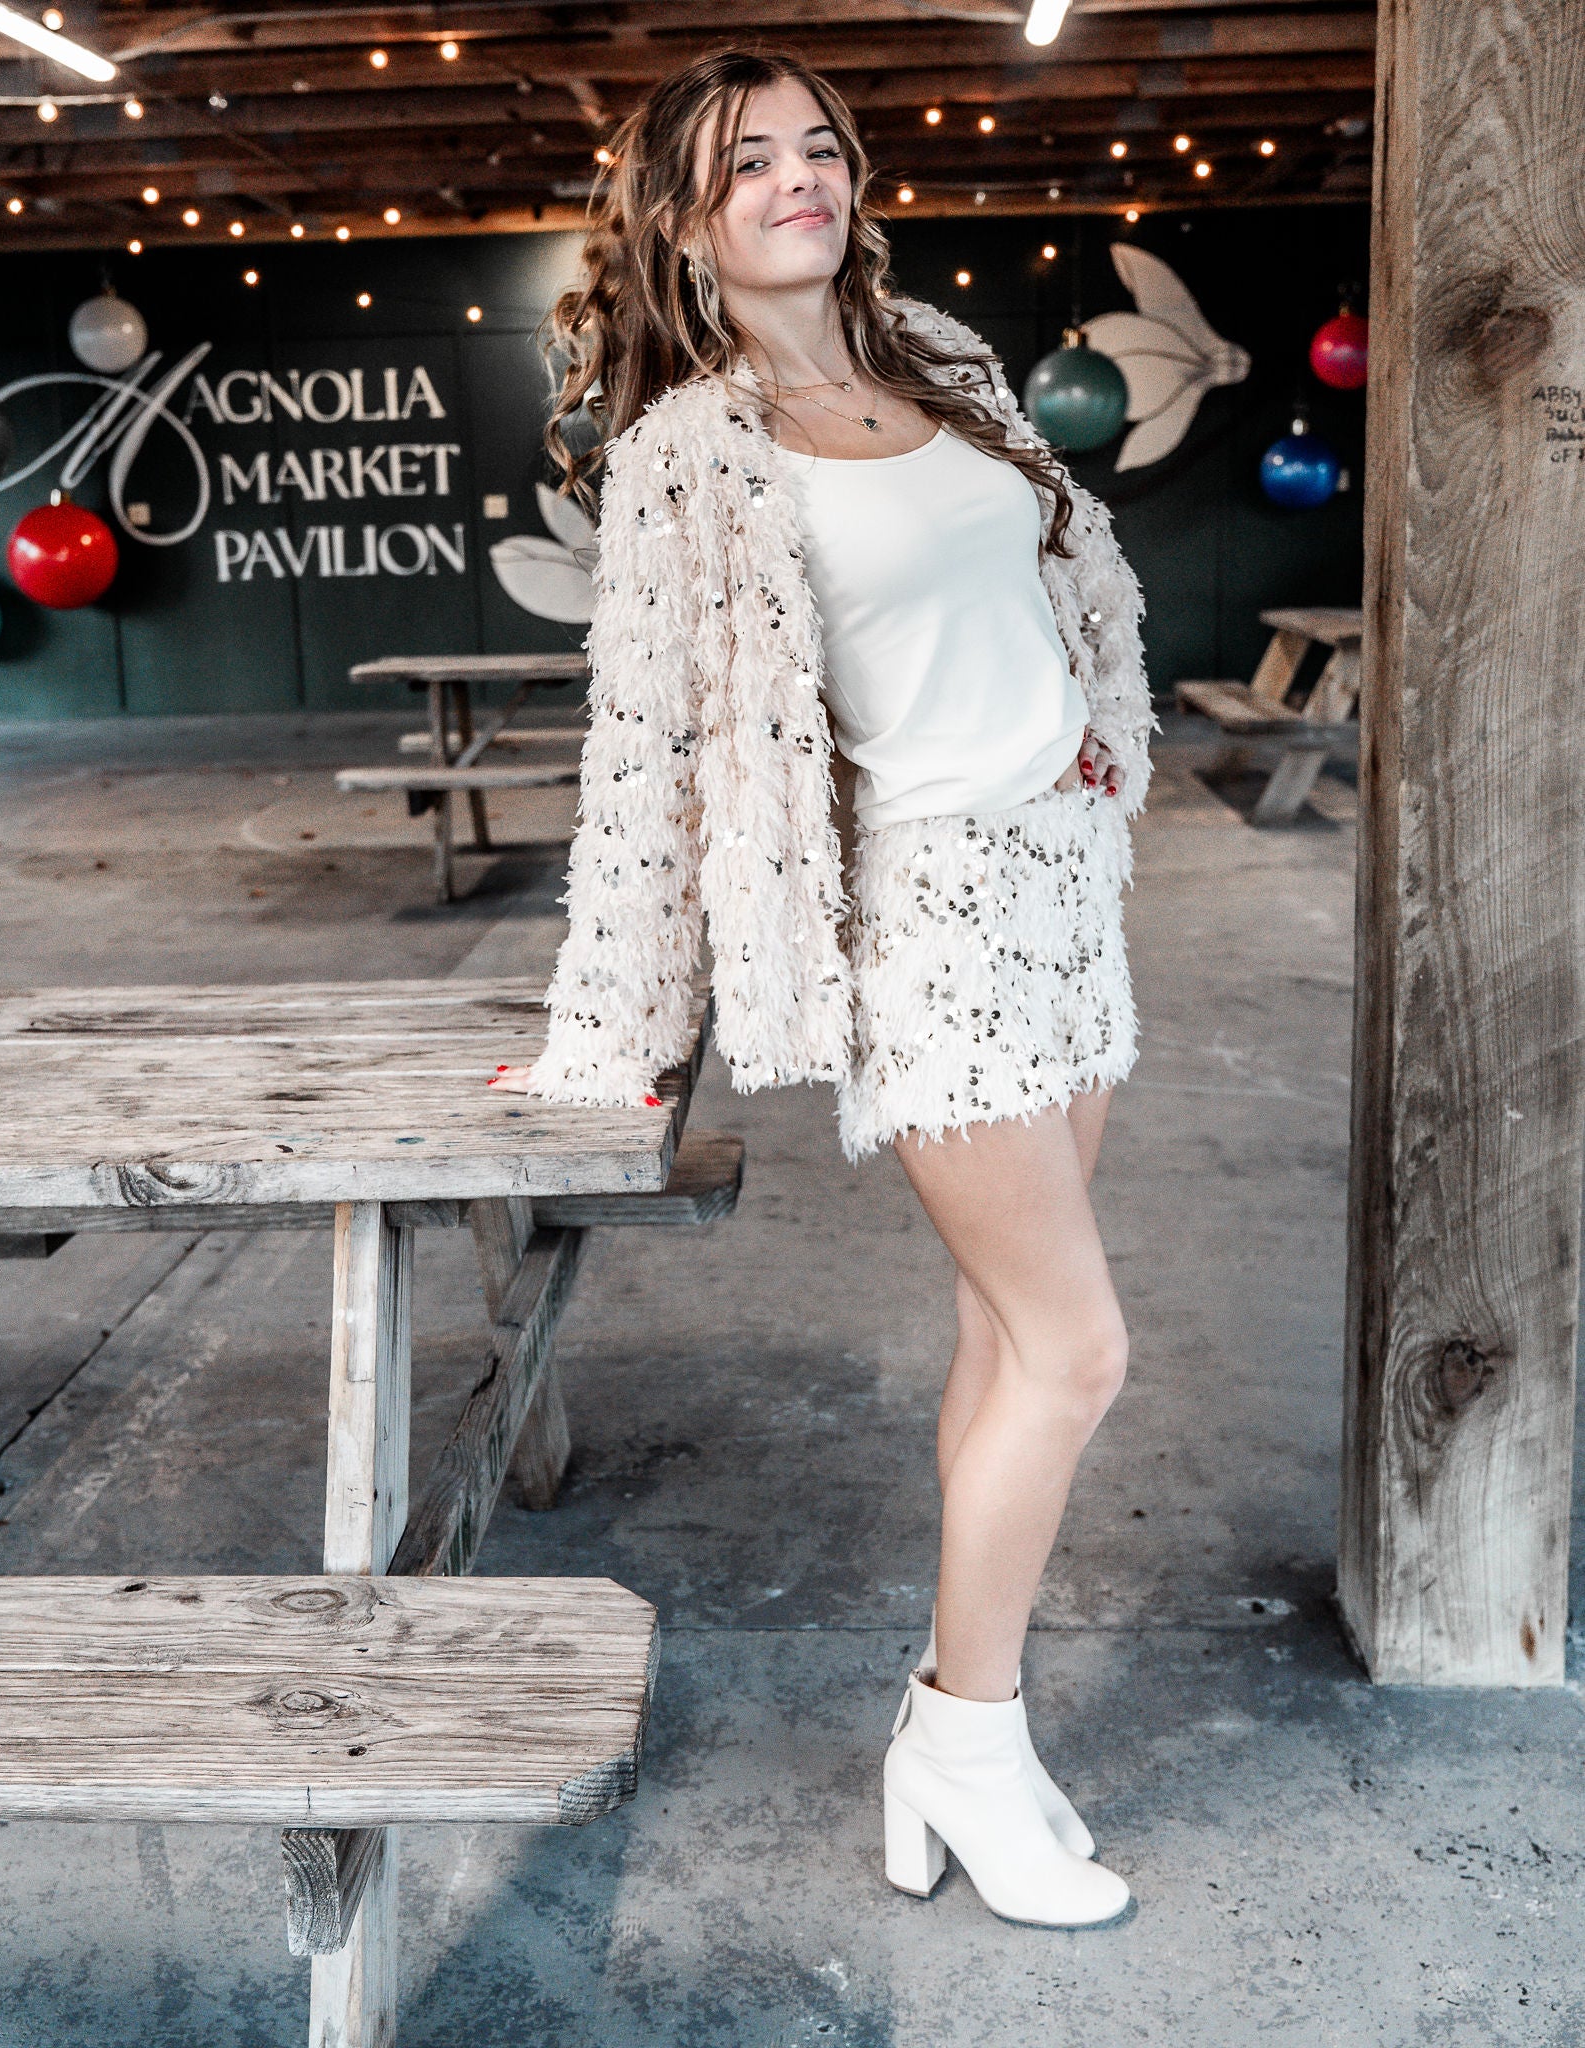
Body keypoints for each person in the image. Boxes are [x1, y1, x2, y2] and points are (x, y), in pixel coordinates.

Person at [490, 47, 1154, 1929]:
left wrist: (1081, 721)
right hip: (927, 924)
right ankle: (961, 1740)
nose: (798, 181)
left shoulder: (938, 360)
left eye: (817, 148)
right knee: (1080, 1352)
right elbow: (647, 762)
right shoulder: (688, 455)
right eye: (746, 165)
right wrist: (605, 1040)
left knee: (1004, 1336)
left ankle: (969, 1737)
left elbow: (1057, 576)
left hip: (1064, 885)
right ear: (685, 225)